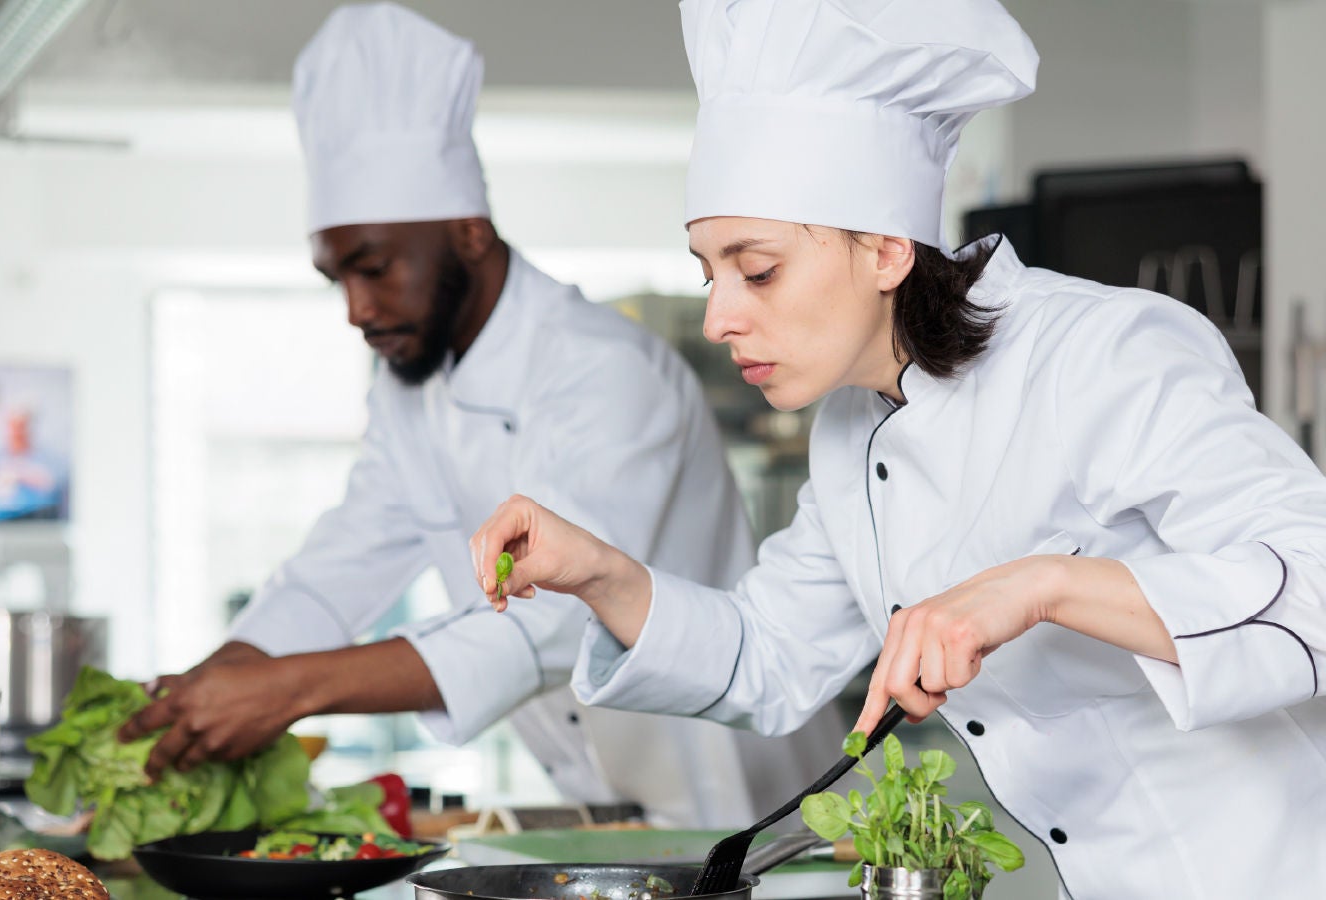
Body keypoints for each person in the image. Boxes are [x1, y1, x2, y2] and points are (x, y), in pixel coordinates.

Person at [469, 1, 1326, 897]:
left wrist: (1038, 586)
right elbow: (765, 657)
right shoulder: (851, 431)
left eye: (757, 270)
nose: (721, 317)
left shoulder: (1104, 353)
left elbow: (1316, 579)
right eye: (708, 273)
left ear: (883, 251)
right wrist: (599, 572)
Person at [119, 1, 846, 828]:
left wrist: (288, 690)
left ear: (467, 231)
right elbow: (343, 560)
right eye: (339, 280)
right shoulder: (411, 388)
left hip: (749, 804)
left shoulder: (603, 370)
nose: (358, 309)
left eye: (376, 267)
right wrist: (219, 680)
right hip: (602, 806)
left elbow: (557, 619)